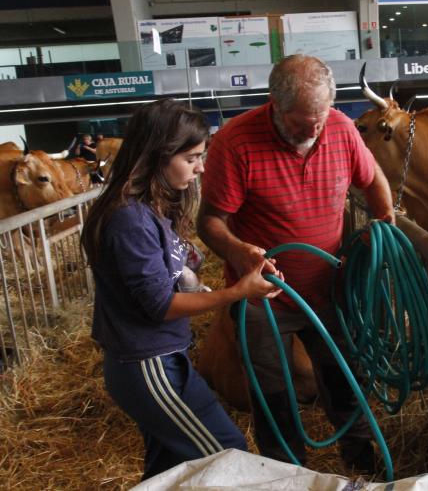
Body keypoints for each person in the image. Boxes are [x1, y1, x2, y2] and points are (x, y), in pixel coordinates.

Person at [197, 54, 394, 473]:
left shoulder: (340, 129)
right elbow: (210, 222)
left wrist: (385, 224)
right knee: (272, 394)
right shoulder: (235, 141)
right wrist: (239, 252)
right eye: (302, 122)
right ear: (274, 104)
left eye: (320, 117)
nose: (314, 129)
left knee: (345, 376)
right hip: (264, 296)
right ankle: (287, 473)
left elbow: (372, 177)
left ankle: (362, 461)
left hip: (329, 288)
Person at [81, 99, 281, 481]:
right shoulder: (129, 220)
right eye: (191, 157)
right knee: (228, 458)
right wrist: (239, 291)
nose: (201, 167)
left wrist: (241, 256)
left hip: (161, 359)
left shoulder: (150, 210)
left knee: (170, 472)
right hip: (149, 365)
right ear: (158, 154)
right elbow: (160, 304)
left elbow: (173, 278)